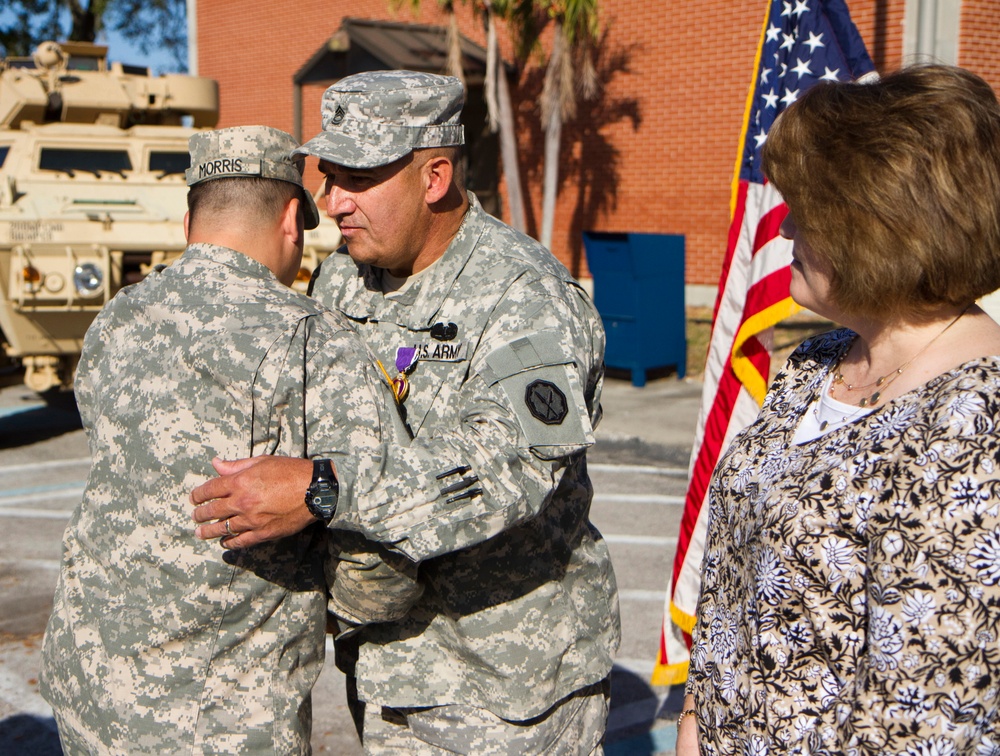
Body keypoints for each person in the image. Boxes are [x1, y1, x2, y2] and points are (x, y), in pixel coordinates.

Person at [190, 71, 620, 753]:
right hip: (387, 666)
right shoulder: (344, 276)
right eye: (328, 177)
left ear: (435, 177)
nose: (331, 202)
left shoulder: (526, 296)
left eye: (356, 179)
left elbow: (514, 469)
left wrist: (322, 487)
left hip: (506, 688)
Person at [40, 125, 417, 753]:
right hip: (221, 711)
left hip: (88, 683)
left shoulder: (119, 316)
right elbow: (376, 535)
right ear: (294, 218)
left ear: (189, 221)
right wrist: (359, 610)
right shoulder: (310, 339)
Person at [678, 64, 1000, 755]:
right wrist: (694, 717)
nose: (787, 223)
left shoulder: (976, 422)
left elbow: (924, 713)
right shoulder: (818, 363)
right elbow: (734, 564)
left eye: (809, 208)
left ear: (879, 226)